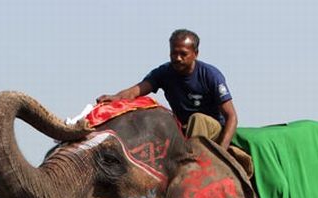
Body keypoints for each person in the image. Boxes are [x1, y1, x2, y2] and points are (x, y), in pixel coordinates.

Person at [97, 29, 239, 152]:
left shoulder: (210, 75)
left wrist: (222, 149)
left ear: (195, 53)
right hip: (181, 128)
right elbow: (137, 90)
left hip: (212, 129)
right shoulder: (164, 72)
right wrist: (116, 97)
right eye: (173, 53)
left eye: (183, 54)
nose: (177, 58)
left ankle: (190, 159)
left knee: (197, 118)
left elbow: (231, 116)